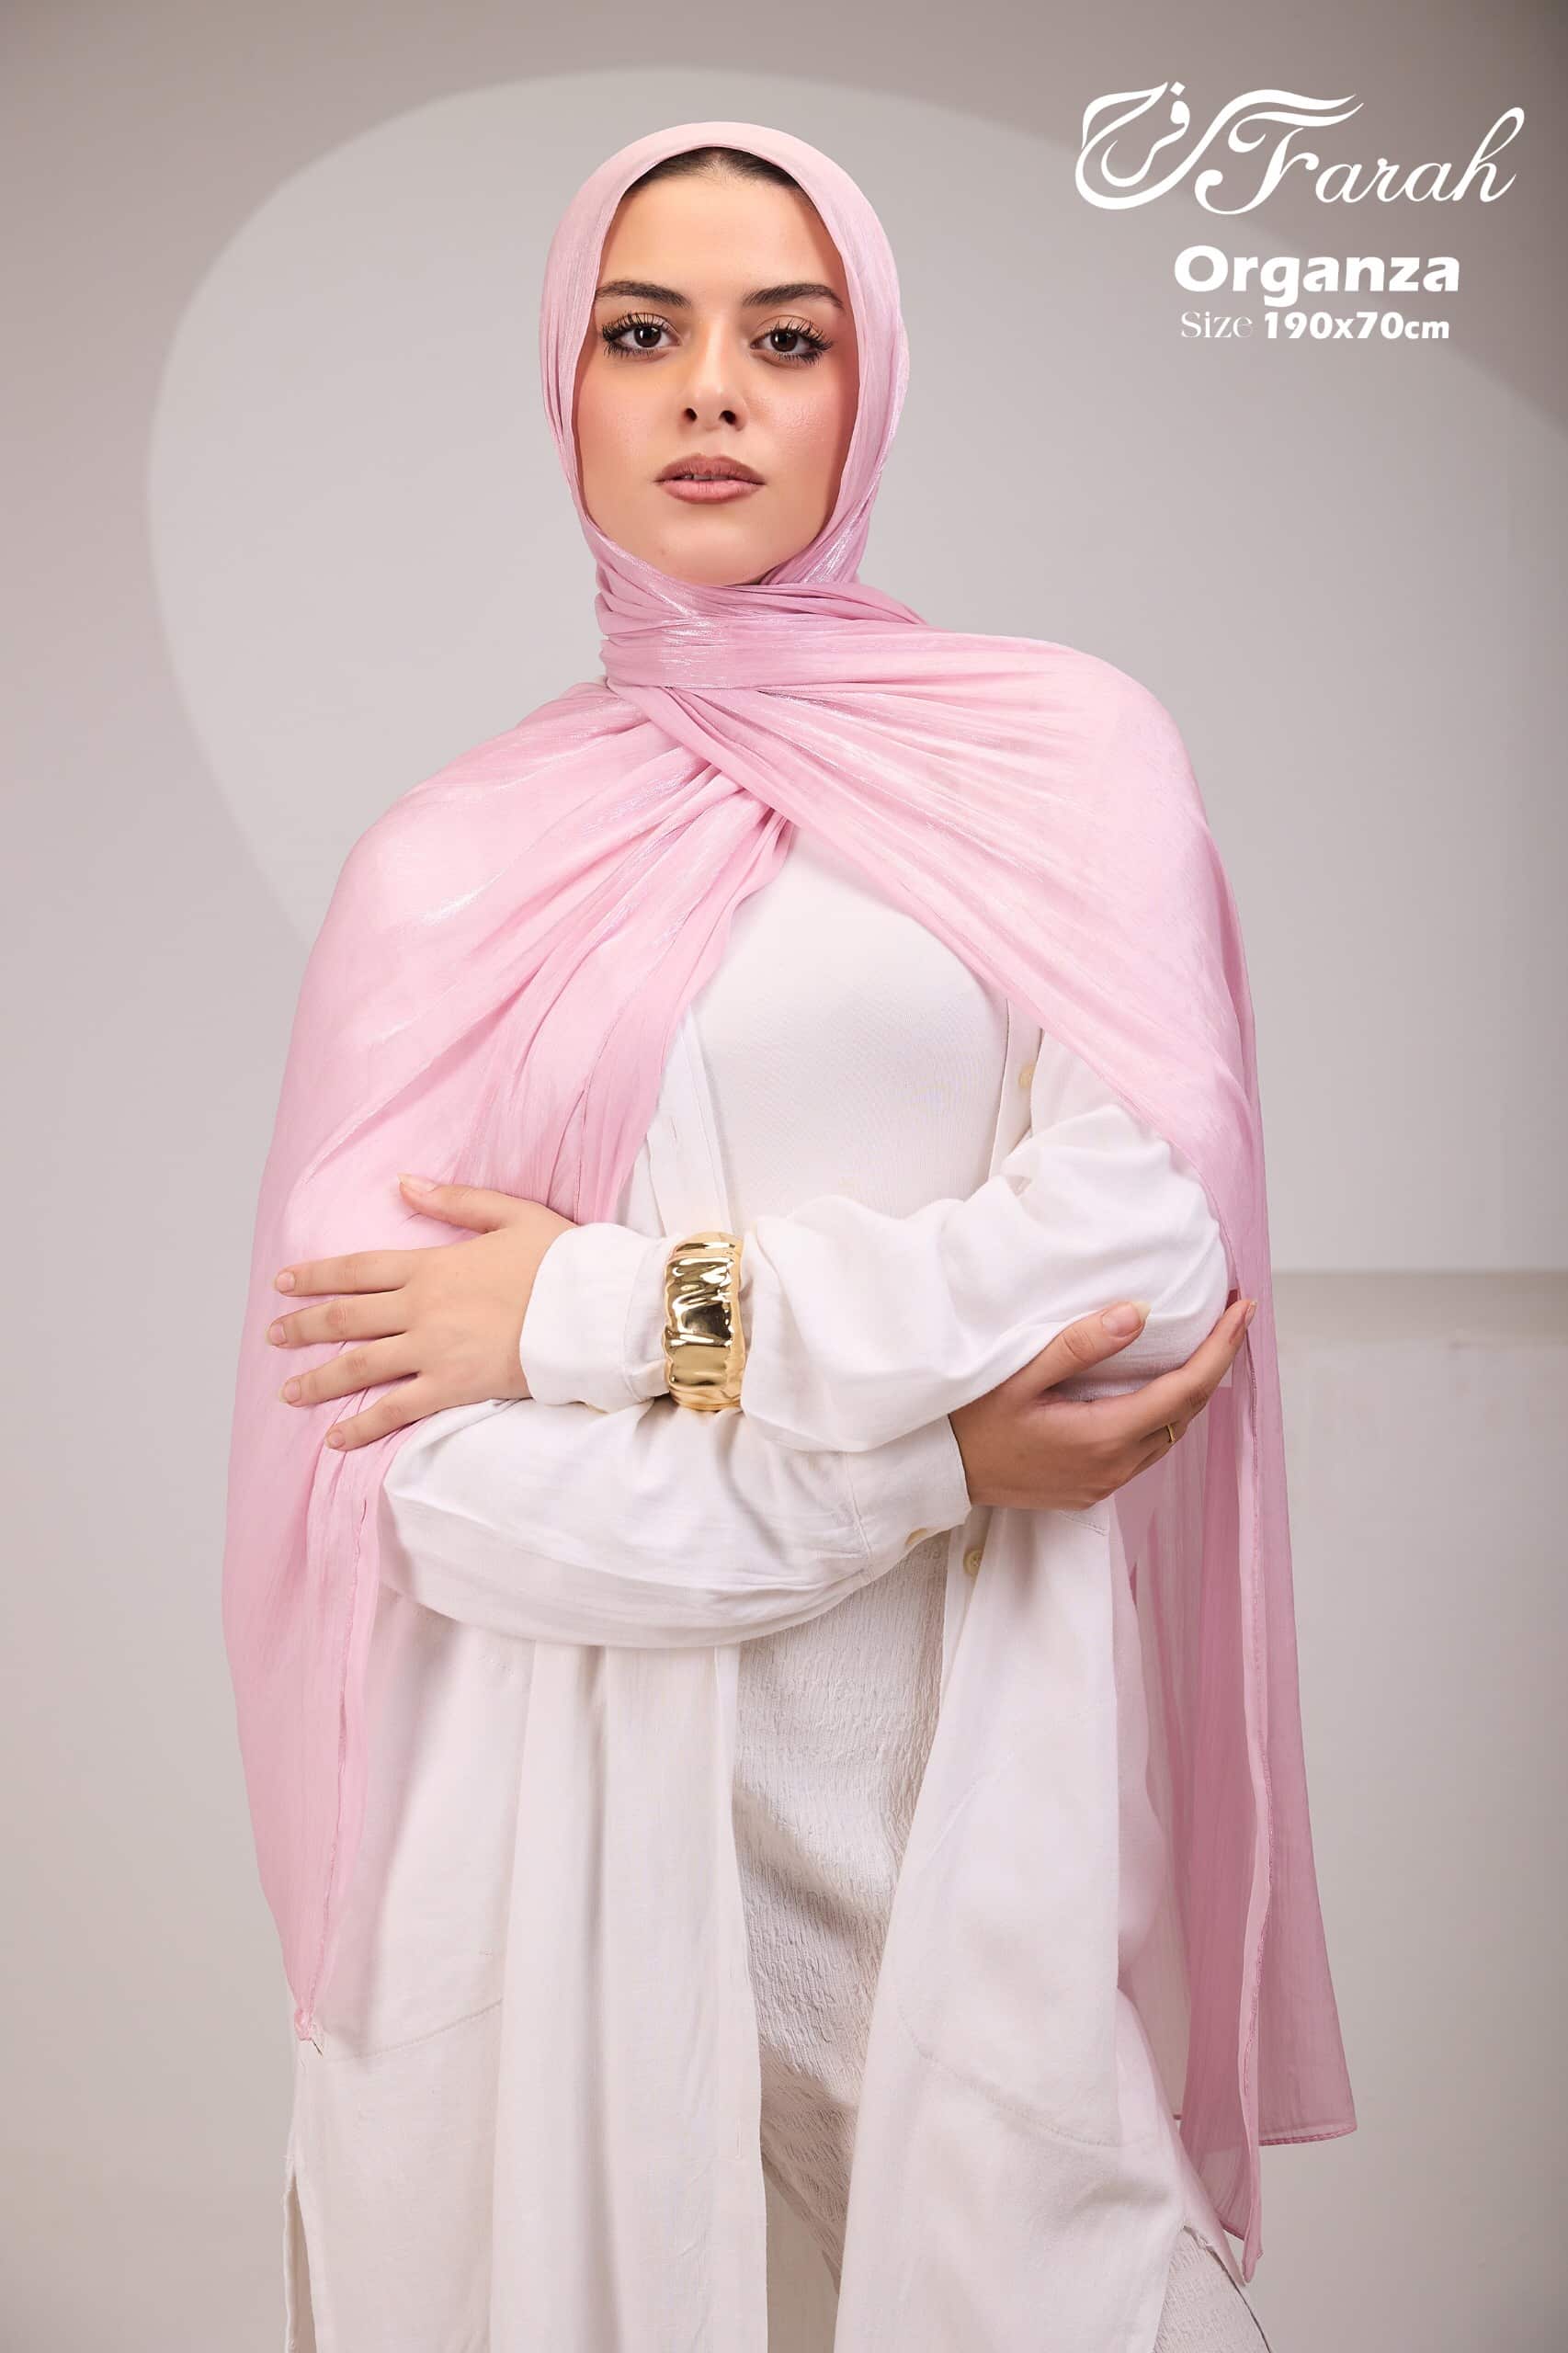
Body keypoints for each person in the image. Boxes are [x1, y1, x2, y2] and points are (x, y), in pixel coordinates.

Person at [230, 121, 1350, 2352]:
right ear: (564, 383)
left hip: (960, 1811)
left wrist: (593, 1306)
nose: (713, 392)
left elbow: (1140, 1255)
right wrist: (933, 1458)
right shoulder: (445, 866)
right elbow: (424, 1492)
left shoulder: (1057, 764)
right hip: (539, 1865)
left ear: (871, 386)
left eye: (789, 338)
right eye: (642, 333)